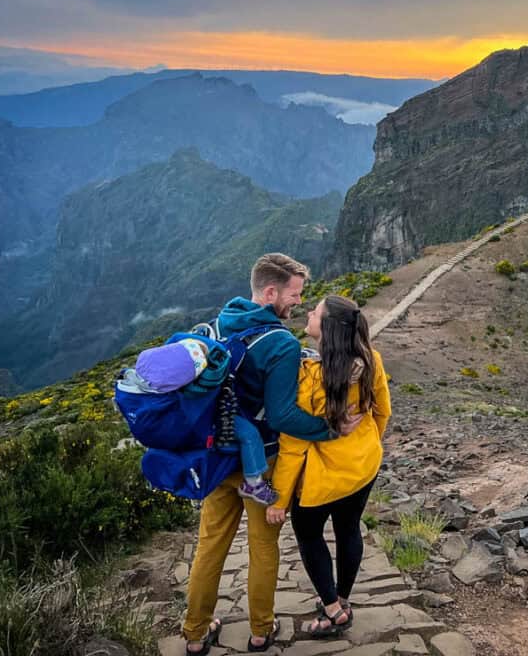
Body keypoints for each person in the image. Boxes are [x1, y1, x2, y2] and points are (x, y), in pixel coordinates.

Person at [183, 254, 362, 655]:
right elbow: (282, 416)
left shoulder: (219, 324)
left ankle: (195, 634)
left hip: (217, 457)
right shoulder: (280, 342)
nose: (298, 302)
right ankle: (261, 631)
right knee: (263, 548)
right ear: (270, 293)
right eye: (294, 294)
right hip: (261, 465)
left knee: (210, 546)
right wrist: (330, 428)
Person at [265, 295, 391, 638]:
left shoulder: (310, 378)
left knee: (308, 535)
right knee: (349, 529)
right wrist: (367, 444)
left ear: (329, 328)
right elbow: (383, 411)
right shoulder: (371, 361)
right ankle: (343, 598)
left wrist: (279, 500)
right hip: (363, 466)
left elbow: (293, 446)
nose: (309, 313)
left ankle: (333, 610)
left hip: (323, 479)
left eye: (316, 312)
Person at [133, 338, 278, 505]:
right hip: (209, 420)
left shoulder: (157, 386)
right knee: (250, 435)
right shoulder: (200, 381)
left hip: (187, 426)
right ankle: (253, 484)